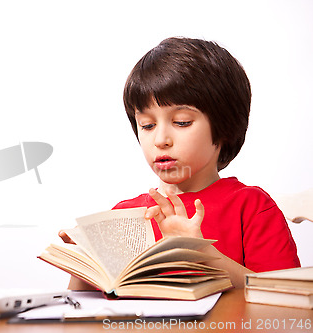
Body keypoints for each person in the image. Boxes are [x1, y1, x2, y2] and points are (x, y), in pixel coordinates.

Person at [59, 37, 300, 289]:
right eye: (147, 125)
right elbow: (84, 307)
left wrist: (203, 255)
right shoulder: (124, 215)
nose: (160, 140)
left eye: (182, 122)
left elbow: (286, 297)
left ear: (225, 127)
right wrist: (85, 265)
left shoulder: (251, 207)